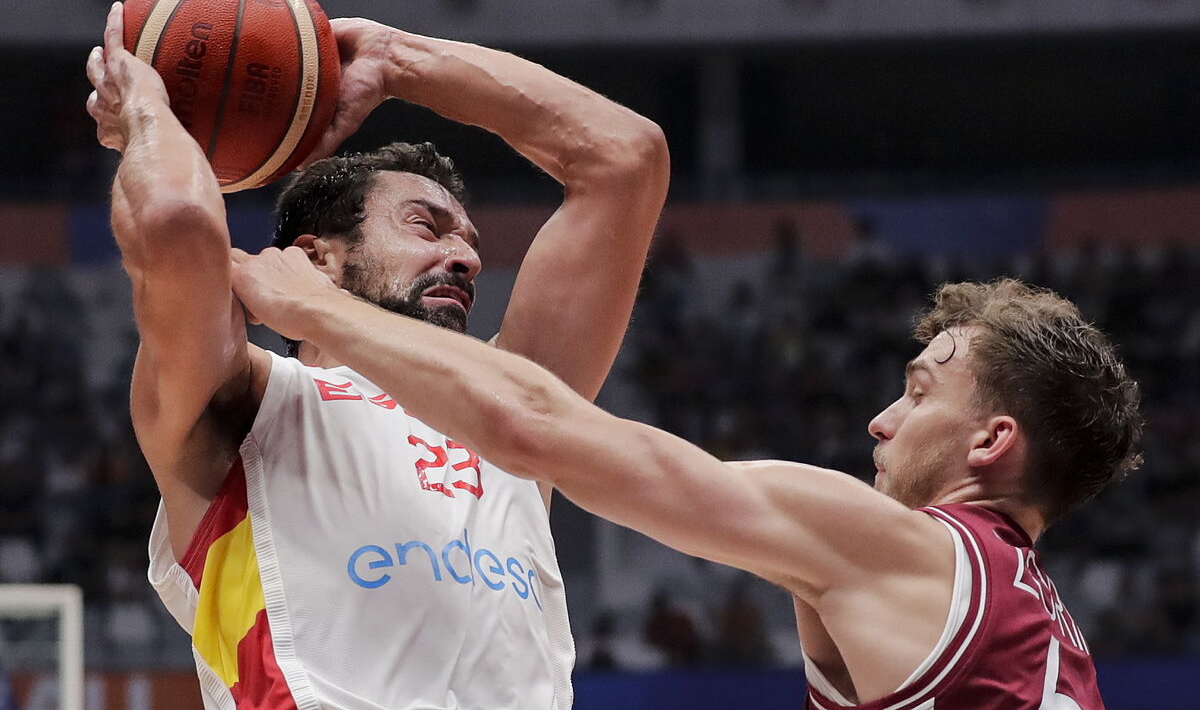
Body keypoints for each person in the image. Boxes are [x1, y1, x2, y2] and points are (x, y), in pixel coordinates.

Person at [85, 0, 669, 710]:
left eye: (473, 244)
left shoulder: (510, 411)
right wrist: (146, 107)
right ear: (318, 259)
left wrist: (398, 60)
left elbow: (626, 157)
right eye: (427, 226)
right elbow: (178, 223)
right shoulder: (246, 403)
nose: (463, 257)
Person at [228, 259, 1143, 710]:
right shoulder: (1038, 623)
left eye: (916, 392)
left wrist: (313, 308)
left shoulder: (910, 554)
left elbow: (535, 430)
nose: (881, 420)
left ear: (992, 441)